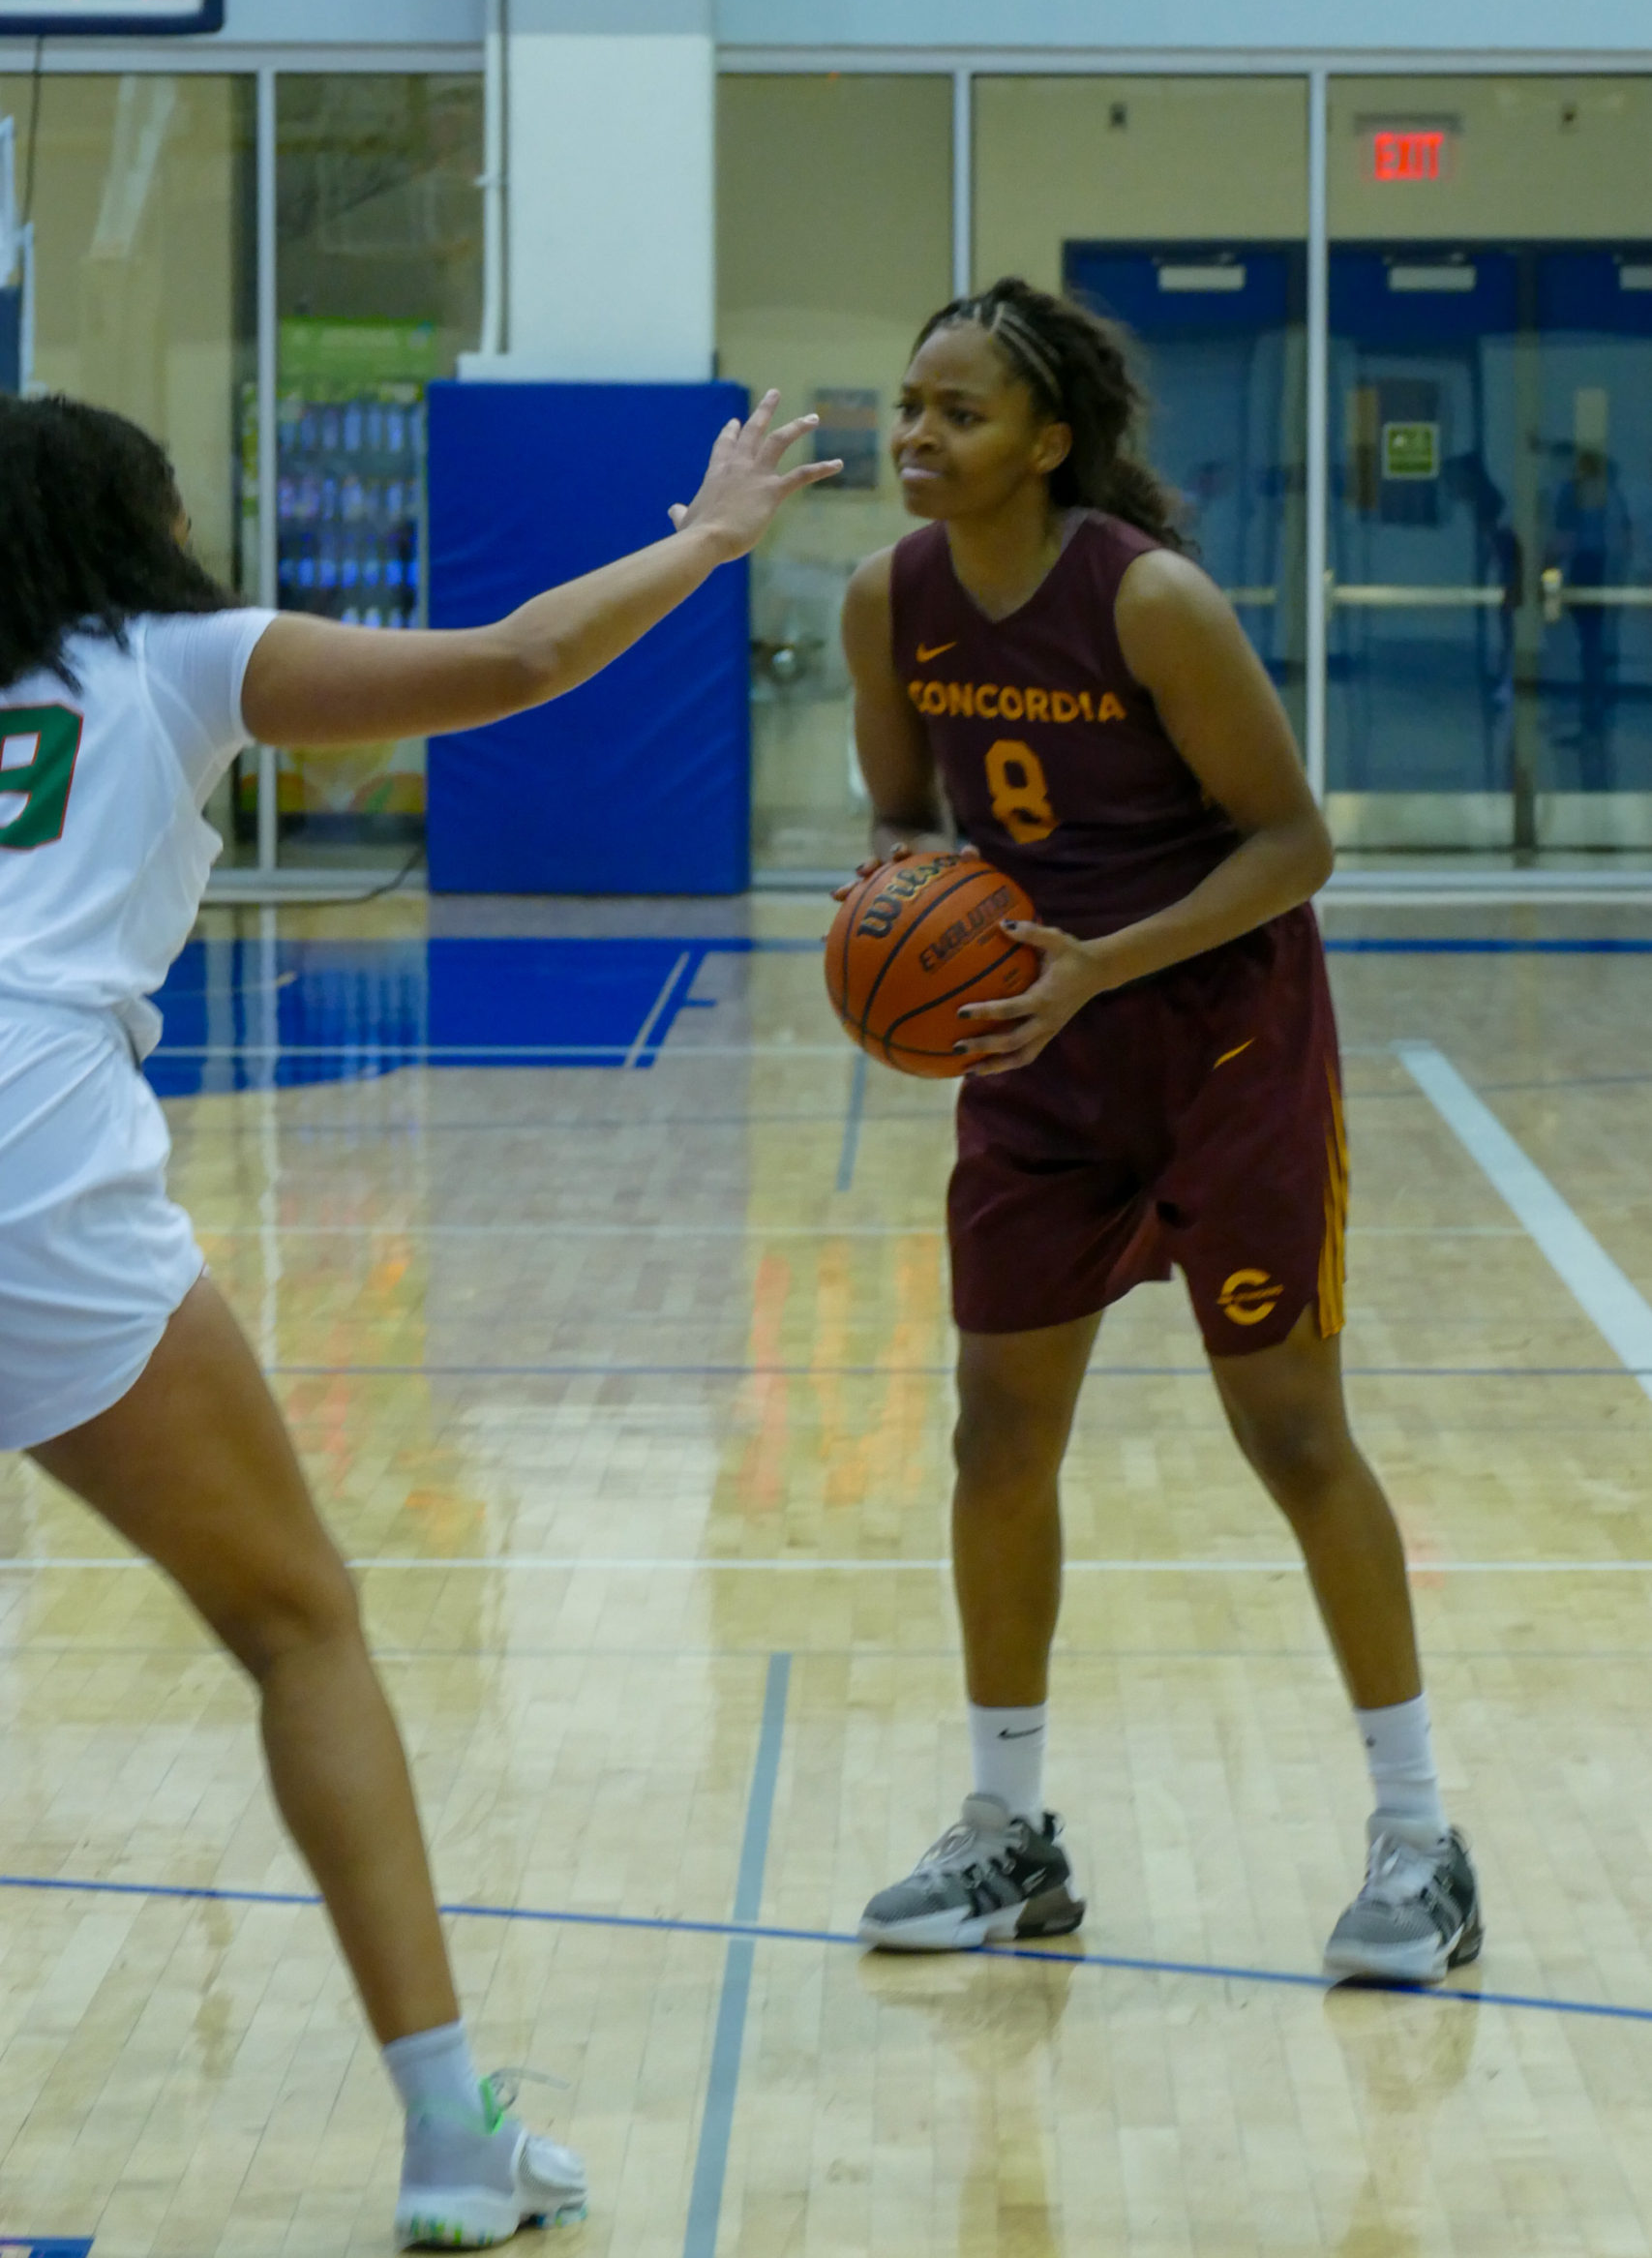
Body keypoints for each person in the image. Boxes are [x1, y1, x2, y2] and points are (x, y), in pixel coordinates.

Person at [0, 389, 838, 2249]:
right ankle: (453, 2137)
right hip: (27, 1141)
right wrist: (707, 540)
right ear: (132, 524)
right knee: (301, 1624)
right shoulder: (172, 654)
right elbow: (522, 655)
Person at [840, 279, 1482, 1984]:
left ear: (1050, 443)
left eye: (958, 412)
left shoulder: (1155, 603)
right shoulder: (885, 601)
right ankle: (1010, 1832)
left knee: (1289, 1433)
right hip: (1033, 1049)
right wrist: (898, 908)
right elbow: (907, 822)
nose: (918, 435)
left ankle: (1421, 1839)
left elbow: (1293, 842)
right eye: (909, 403)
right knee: (995, 1436)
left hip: (1222, 1036)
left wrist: (1098, 964)